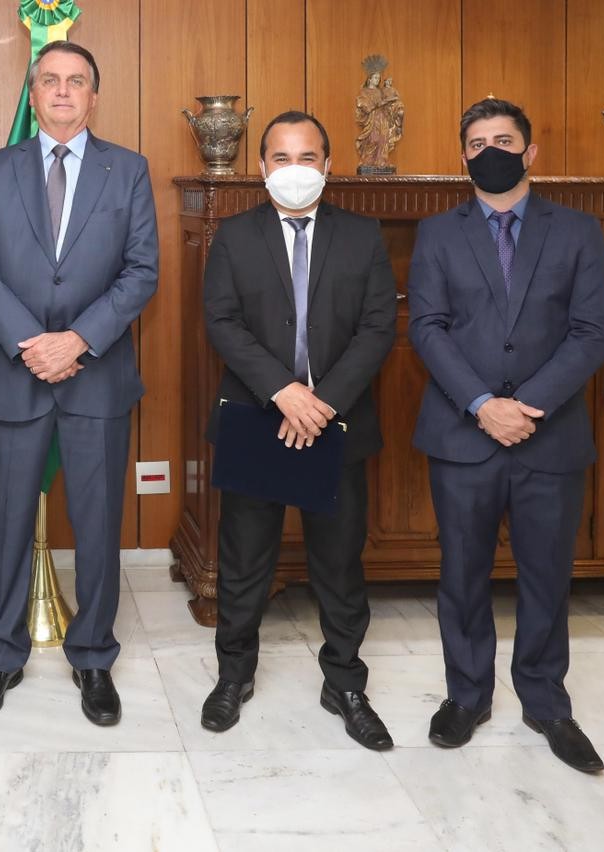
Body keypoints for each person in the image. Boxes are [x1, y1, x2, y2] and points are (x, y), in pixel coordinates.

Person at [408, 98, 604, 773]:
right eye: (477, 143)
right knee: (462, 574)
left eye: (503, 140)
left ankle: (546, 701)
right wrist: (481, 404)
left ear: (530, 153)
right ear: (462, 157)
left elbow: (593, 332)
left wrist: (525, 406)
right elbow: (428, 328)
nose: (489, 151)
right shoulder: (437, 233)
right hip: (461, 434)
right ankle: (466, 696)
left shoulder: (578, 231)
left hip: (548, 436)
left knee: (547, 575)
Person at [0, 40, 158, 727]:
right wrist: (33, 344)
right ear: (34, 93)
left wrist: (77, 340)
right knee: (7, 520)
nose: (64, 91)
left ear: (93, 96)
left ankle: (94, 657)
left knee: (97, 524)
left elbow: (141, 271)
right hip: (17, 373)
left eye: (76, 81)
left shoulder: (127, 170)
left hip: (96, 375)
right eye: (51, 80)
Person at [200, 112, 397, 749]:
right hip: (257, 416)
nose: (294, 169)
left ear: (328, 165)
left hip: (336, 423)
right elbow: (222, 321)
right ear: (261, 167)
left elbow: (378, 328)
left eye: (307, 157)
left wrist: (323, 402)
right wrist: (284, 392)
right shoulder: (234, 236)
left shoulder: (362, 236)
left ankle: (344, 683)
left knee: (339, 564)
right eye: (281, 158)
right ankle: (234, 675)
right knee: (243, 561)